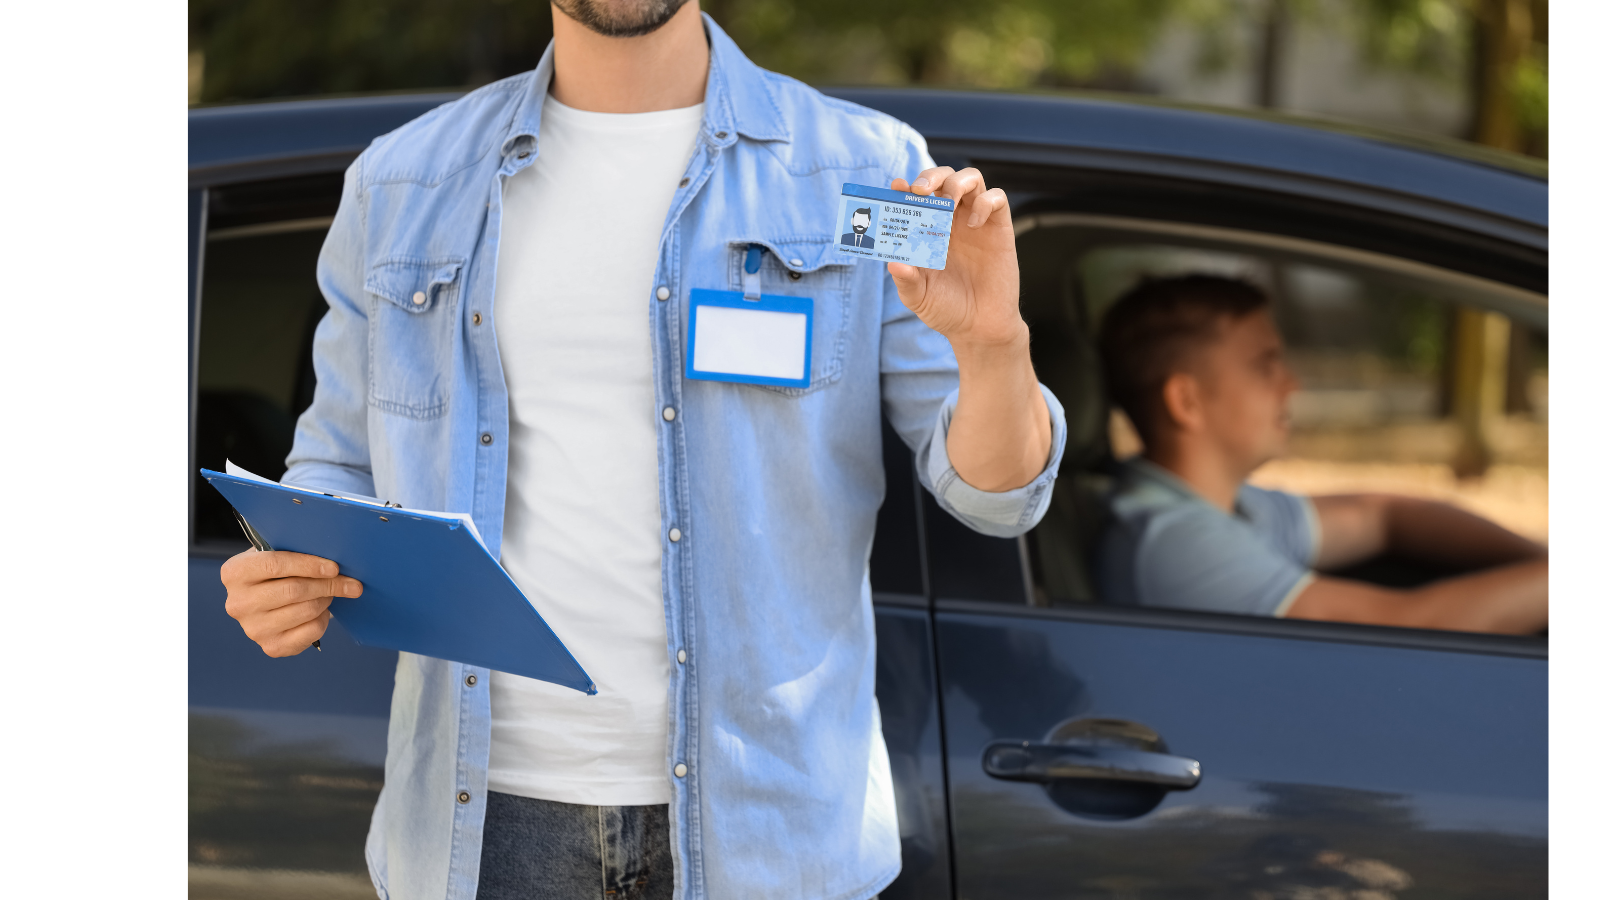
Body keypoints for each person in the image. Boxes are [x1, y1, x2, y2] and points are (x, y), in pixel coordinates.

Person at [217, 3, 1065, 900]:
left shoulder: (863, 173)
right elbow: (335, 465)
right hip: (484, 834)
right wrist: (287, 574)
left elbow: (997, 496)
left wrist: (994, 345)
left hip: (772, 836)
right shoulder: (402, 185)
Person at [1094, 274, 1546, 635]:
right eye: (1265, 365)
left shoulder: (1225, 505)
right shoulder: (1172, 540)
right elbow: (1405, 631)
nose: (1292, 385)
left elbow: (1382, 514)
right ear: (1186, 401)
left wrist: (1540, 562)